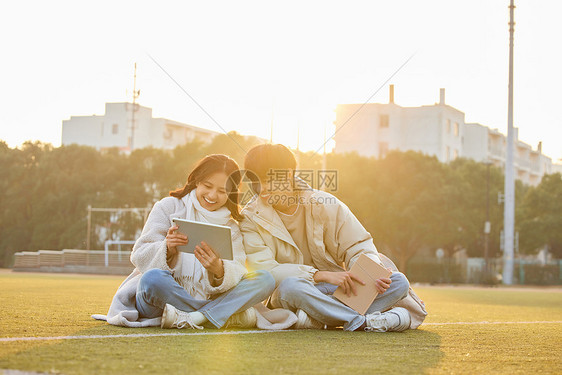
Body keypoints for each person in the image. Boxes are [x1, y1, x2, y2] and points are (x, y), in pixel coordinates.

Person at [240, 144, 427, 332]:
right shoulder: (249, 218)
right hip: (294, 292)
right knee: (291, 286)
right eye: (255, 182)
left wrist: (370, 274)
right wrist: (318, 275)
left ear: (288, 174)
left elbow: (358, 245)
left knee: (399, 282)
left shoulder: (324, 203)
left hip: (338, 289)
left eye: (266, 180)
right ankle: (362, 321)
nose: (261, 189)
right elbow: (266, 270)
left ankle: (319, 318)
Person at [93, 154, 276, 329]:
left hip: (209, 296)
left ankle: (197, 317)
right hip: (160, 300)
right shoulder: (168, 207)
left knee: (265, 279)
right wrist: (167, 249)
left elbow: (238, 269)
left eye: (222, 191)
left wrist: (219, 270)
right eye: (207, 186)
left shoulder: (232, 227)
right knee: (152, 279)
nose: (212, 196)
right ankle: (220, 315)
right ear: (196, 180)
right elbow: (140, 254)